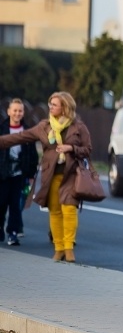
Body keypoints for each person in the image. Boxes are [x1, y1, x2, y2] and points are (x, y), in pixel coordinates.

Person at [0, 92, 92, 262]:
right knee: (55, 212)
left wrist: (71, 148)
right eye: (50, 104)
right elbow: (19, 137)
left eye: (54, 105)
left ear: (64, 107)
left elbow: (87, 149)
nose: (50, 107)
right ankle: (58, 248)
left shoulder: (79, 128)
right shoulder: (44, 126)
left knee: (69, 209)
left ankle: (69, 247)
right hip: (52, 175)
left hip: (72, 175)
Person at [0, 99, 38, 246]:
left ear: (23, 113)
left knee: (16, 205)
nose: (17, 113)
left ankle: (13, 232)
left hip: (19, 174)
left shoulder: (28, 132)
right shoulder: (2, 129)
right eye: (14, 110)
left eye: (20, 111)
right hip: (3, 174)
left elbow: (32, 155)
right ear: (9, 112)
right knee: (1, 203)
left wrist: (30, 175)